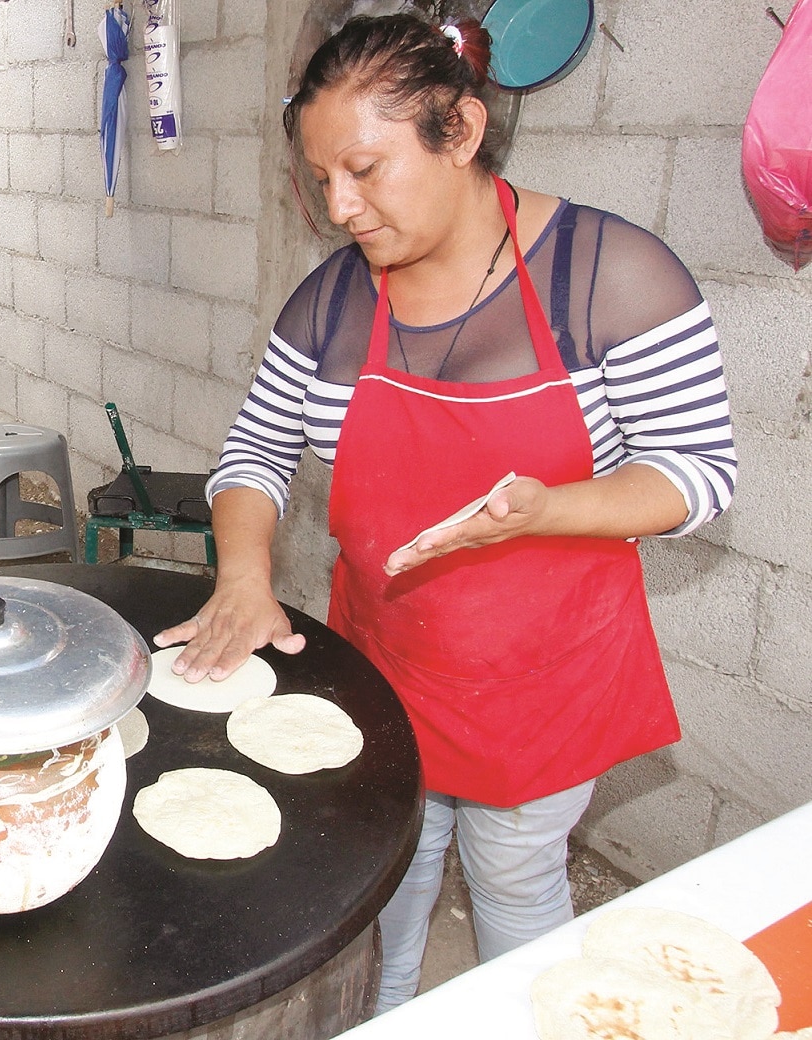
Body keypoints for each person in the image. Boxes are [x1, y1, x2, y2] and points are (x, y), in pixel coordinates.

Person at [155, 12, 736, 1015]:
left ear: (460, 131)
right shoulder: (328, 304)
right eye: (320, 175)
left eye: (366, 168)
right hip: (385, 661)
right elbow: (254, 450)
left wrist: (549, 508)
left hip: (541, 679)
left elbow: (698, 472)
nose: (338, 205)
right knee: (385, 871)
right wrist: (244, 576)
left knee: (513, 882)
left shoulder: (609, 278)